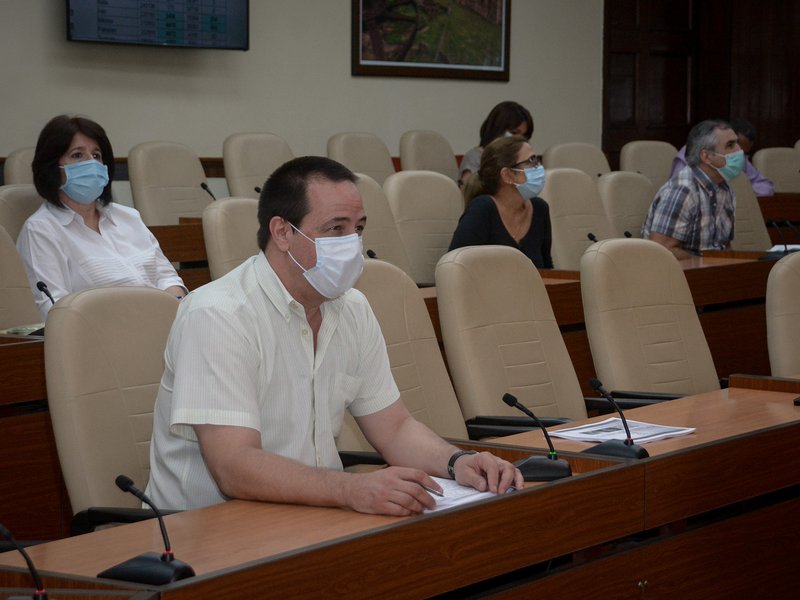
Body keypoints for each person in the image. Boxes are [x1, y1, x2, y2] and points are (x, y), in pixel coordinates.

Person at [146, 156, 522, 515]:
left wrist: (459, 462)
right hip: (202, 533)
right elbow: (233, 466)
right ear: (282, 233)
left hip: (309, 514)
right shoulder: (218, 315)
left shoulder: (352, 307)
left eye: (357, 228)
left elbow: (394, 428)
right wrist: (349, 489)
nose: (352, 244)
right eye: (335, 229)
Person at [16, 115, 185, 319]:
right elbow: (54, 310)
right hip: (102, 339)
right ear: (53, 168)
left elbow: (167, 278)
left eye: (96, 155)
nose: (91, 163)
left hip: (164, 324)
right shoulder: (41, 230)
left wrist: (177, 311)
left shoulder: (129, 217)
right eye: (77, 155)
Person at [642, 119, 742, 259]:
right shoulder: (682, 191)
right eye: (730, 145)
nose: (739, 150)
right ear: (706, 156)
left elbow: (724, 247)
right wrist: (707, 265)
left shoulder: (725, 189)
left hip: (715, 273)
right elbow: (662, 250)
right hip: (680, 276)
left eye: (737, 143)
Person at [450, 136, 553, 269]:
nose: (538, 167)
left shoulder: (540, 209)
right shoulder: (482, 209)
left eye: (537, 160)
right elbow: (454, 269)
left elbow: (547, 270)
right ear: (507, 175)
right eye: (531, 161)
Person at [668, 117, 774, 196]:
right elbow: (677, 190)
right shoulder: (690, 153)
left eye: (743, 152)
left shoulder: (738, 157)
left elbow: (765, 187)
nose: (738, 153)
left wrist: (742, 191)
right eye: (731, 145)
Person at [460, 101, 534, 187]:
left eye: (524, 136)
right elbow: (469, 192)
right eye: (514, 133)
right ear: (497, 130)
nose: (520, 140)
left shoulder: (523, 161)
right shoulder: (475, 157)